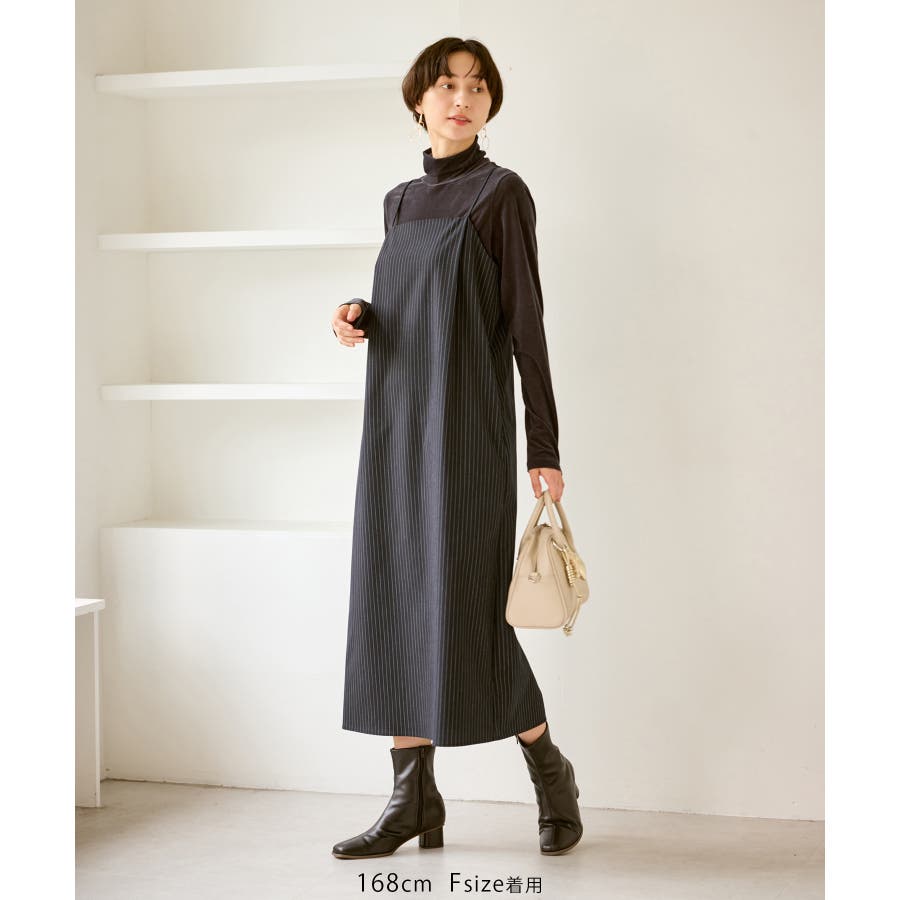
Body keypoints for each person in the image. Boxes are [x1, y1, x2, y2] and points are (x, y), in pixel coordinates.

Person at [329, 37, 582, 859]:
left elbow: (525, 325)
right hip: (395, 426)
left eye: (476, 87)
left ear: (489, 103)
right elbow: (418, 305)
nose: (461, 99)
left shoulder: (501, 193)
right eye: (446, 86)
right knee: (393, 598)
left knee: (470, 611)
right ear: (419, 102)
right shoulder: (400, 202)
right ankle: (413, 800)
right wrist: (362, 314)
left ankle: (550, 772)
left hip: (468, 430)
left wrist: (543, 444)